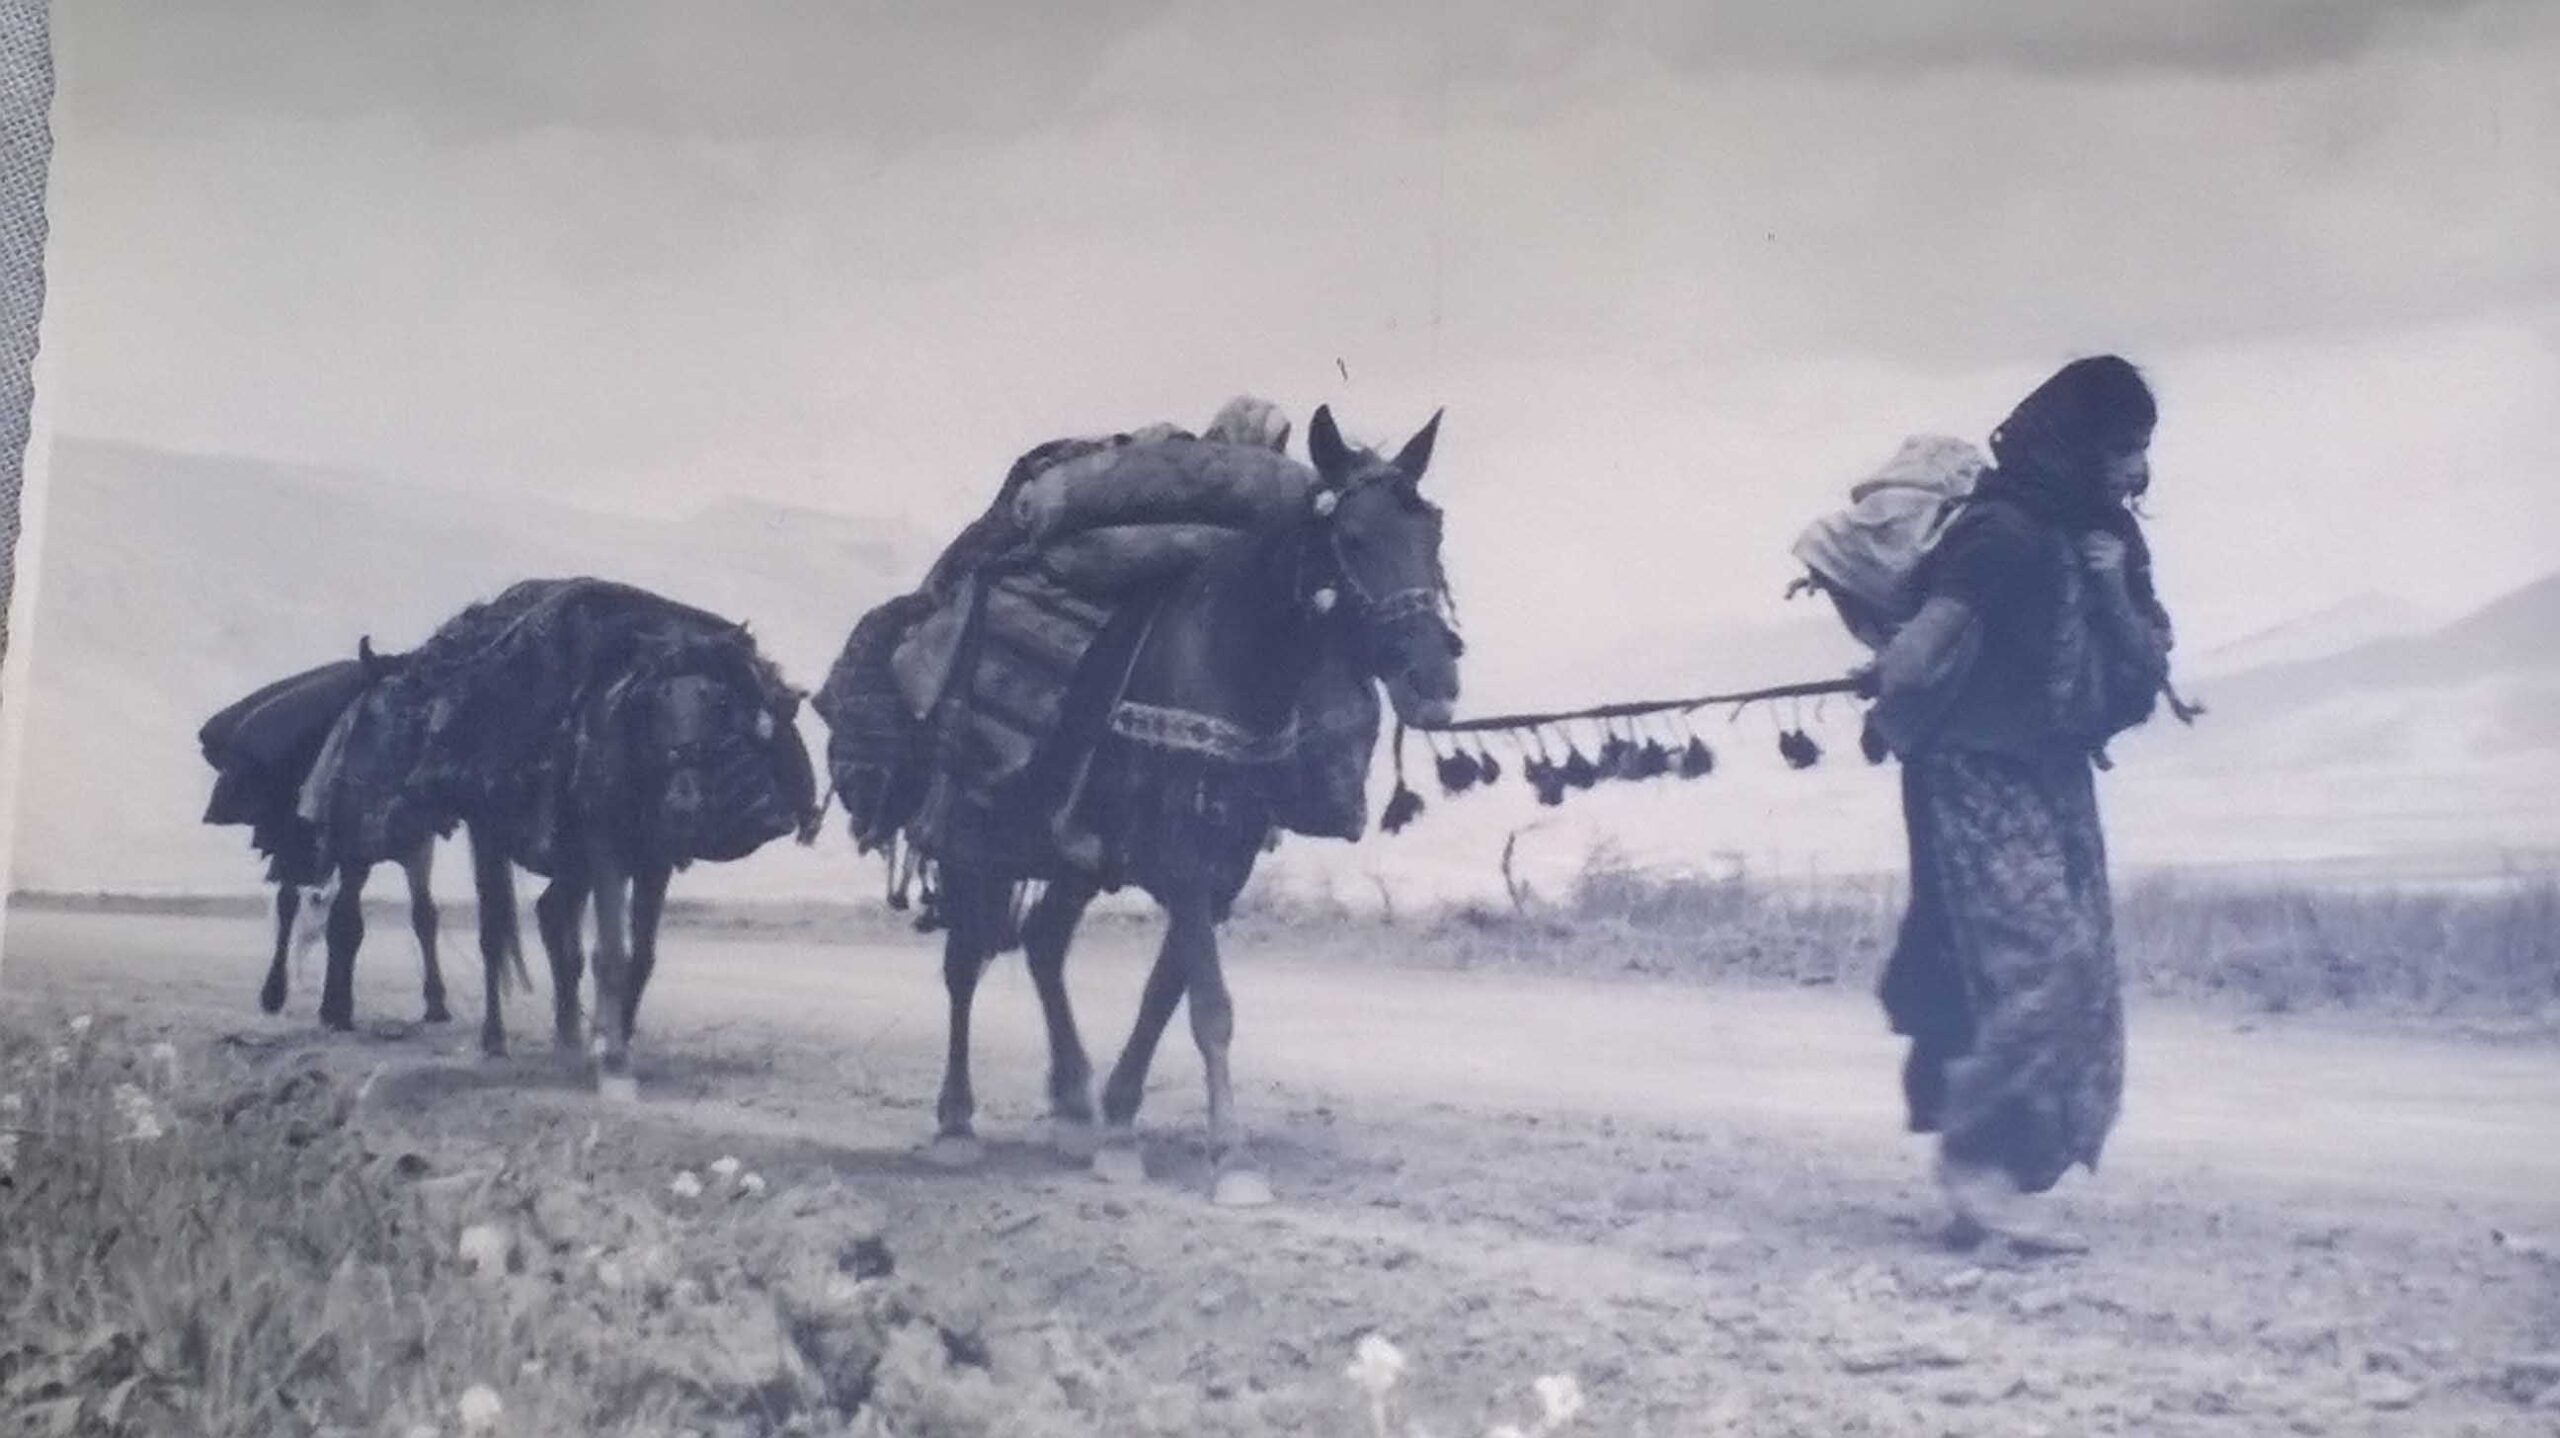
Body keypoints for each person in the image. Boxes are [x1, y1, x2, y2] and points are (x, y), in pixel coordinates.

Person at [1864, 355, 2175, 1254]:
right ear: (2074, 446)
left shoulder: (2109, 541)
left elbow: (2154, 661)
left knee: (2078, 975)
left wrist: (2114, 586)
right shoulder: (1999, 532)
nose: (2135, 470)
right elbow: (1924, 650)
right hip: (1975, 772)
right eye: (2119, 448)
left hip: (2055, 772)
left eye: (2142, 449)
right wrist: (1898, 670)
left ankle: (2006, 1170)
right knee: (2034, 966)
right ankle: (1977, 1167)